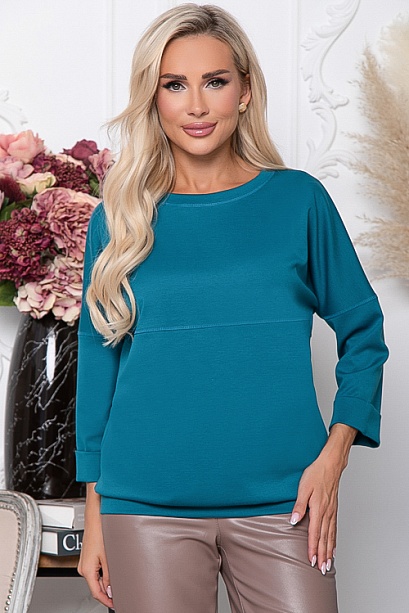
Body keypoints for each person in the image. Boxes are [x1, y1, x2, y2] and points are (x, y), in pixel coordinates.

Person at [75, 4, 389, 612]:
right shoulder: (119, 219)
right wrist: (95, 514)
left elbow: (364, 334)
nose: (196, 105)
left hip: (286, 500)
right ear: (153, 98)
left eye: (214, 82)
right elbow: (99, 368)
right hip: (144, 505)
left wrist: (333, 458)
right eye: (175, 85)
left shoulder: (299, 201)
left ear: (244, 91)